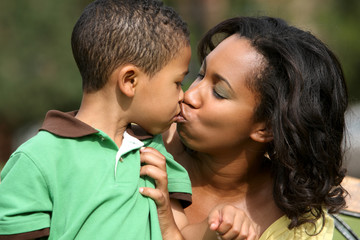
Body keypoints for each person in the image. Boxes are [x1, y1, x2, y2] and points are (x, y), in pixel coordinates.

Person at [0, 0, 193, 239]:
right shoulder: (37, 159)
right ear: (130, 81)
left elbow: (181, 233)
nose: (183, 95)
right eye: (177, 83)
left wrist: (218, 226)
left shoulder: (155, 154)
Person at [145, 16, 348, 239]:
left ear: (266, 128)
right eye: (200, 75)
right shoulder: (140, 145)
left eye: (219, 93)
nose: (190, 95)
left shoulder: (299, 226)